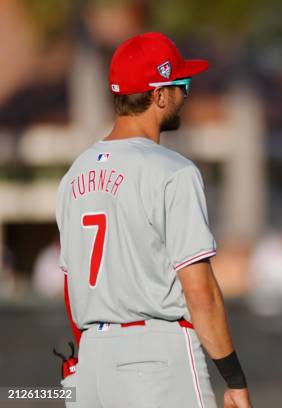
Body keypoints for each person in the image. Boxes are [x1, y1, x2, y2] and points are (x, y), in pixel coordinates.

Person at [56, 32, 251, 408]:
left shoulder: (73, 176)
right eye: (183, 84)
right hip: (156, 357)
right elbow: (201, 293)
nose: (186, 94)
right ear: (160, 95)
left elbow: (69, 287)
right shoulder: (172, 171)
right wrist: (234, 378)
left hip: (91, 361)